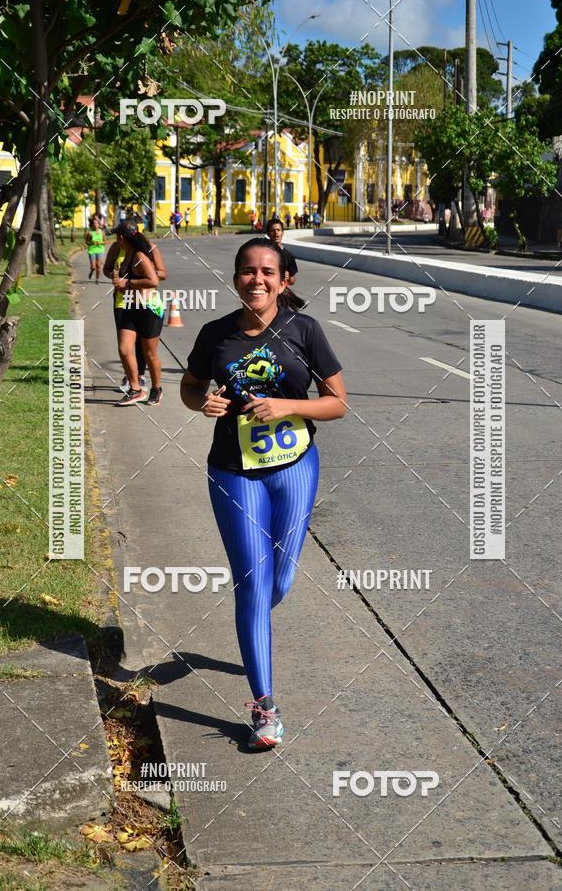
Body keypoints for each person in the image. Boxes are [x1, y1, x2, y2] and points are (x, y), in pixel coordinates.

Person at [180, 237, 346, 749]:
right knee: (252, 583)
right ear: (236, 278)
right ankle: (264, 707)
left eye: (267, 272)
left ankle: (253, 626)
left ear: (283, 280)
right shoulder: (215, 334)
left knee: (279, 581)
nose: (257, 279)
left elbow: (337, 403)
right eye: (248, 271)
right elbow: (190, 387)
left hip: (295, 468)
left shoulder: (304, 330)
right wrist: (202, 403)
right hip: (234, 471)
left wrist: (287, 406)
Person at [104, 221, 166, 405]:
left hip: (149, 308)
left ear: (122, 238)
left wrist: (128, 283)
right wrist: (118, 279)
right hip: (130, 305)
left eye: (118, 237)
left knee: (149, 353)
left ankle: (156, 388)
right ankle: (135, 389)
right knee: (124, 348)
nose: (116, 240)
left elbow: (154, 280)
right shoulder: (126, 254)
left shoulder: (139, 255)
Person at [265, 217, 298, 288]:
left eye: (278, 230)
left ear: (282, 233)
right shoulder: (263, 253)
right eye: (273, 230)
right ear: (268, 234)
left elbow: (292, 280)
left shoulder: (288, 255)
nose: (276, 232)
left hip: (281, 291)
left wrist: (288, 277)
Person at [85, 215, 105, 283]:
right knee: (93, 267)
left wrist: (100, 242)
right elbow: (86, 242)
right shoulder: (90, 233)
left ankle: (97, 279)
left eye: (96, 223)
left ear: (98, 225)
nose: (95, 225)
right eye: (94, 223)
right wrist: (92, 243)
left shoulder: (102, 232)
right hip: (92, 250)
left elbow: (105, 241)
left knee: (98, 265)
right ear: (92, 225)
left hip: (100, 250)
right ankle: (91, 271)